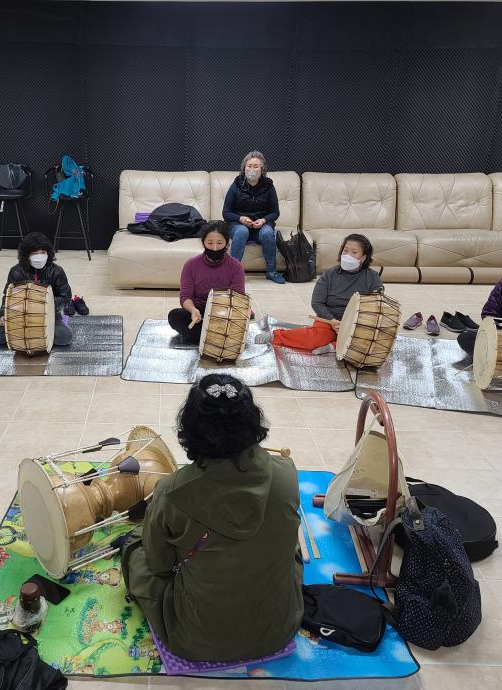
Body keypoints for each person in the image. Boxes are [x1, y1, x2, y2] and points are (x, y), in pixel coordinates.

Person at [121, 374, 303, 662]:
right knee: (289, 544)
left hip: (198, 639)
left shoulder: (170, 492)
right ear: (252, 423)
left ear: (190, 430)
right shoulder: (286, 473)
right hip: (279, 628)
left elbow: (160, 565)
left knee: (135, 546)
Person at [256, 233, 382, 351]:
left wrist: (352, 323)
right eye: (345, 250)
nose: (348, 255)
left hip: (357, 323)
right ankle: (277, 335)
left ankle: (334, 345)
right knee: (314, 339)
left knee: (373, 340)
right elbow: (317, 303)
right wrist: (332, 320)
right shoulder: (329, 275)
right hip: (329, 320)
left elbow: (377, 306)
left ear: (363, 258)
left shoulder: (372, 277)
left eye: (354, 252)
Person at [168, 221, 246, 345]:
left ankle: (202, 337)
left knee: (239, 320)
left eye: (219, 243)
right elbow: (185, 296)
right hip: (199, 312)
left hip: (224, 312)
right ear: (203, 243)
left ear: (227, 244)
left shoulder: (236, 266)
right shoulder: (191, 265)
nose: (214, 248)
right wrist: (193, 310)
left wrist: (219, 314)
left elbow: (238, 298)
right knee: (174, 316)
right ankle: (218, 337)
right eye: (210, 243)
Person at [0, 232, 73, 347]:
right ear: (26, 255)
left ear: (48, 253)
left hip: (49, 315)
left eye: (43, 252)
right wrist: (3, 314)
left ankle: (29, 335)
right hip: (20, 316)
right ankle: (37, 335)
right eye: (34, 253)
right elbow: (7, 297)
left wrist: (44, 303)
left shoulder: (57, 271)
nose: (39, 256)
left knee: (65, 337)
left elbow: (66, 298)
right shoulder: (16, 271)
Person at [223, 150, 285, 284]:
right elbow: (226, 213)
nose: (252, 169)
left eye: (256, 166)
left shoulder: (269, 186)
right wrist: (240, 219)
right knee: (241, 231)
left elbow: (275, 213)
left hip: (261, 225)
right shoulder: (236, 185)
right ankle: (232, 274)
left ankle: (271, 271)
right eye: (249, 166)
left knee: (267, 233)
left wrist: (263, 220)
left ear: (262, 169)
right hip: (239, 224)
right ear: (244, 168)